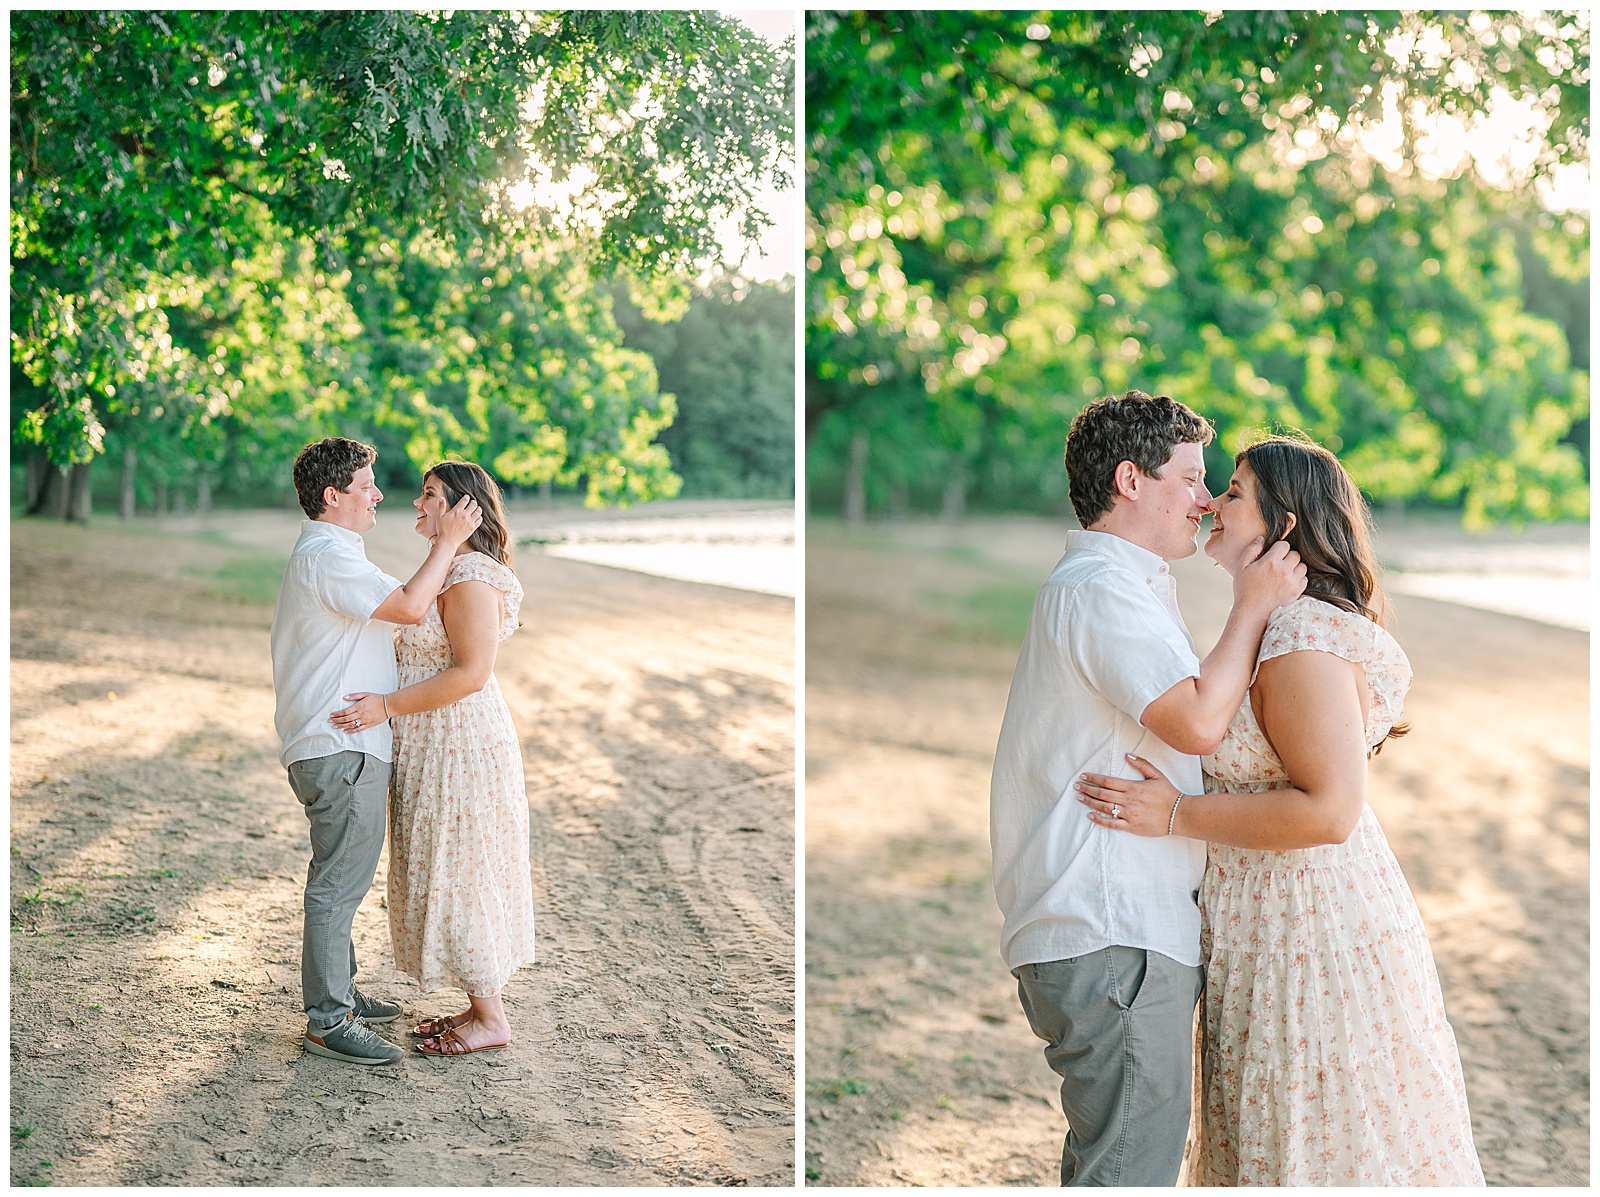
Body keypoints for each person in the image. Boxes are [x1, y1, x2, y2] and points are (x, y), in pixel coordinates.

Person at [1077, 434, 1484, 1185]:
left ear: (1284, 524)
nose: (1213, 505)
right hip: (1264, 931)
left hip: (1312, 935)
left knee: (1319, 1146)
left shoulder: (1299, 637)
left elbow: (1330, 809)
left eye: (1233, 491)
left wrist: (1175, 815)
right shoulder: (1270, 624)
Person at [989, 391, 1306, 1185]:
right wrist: (1254, 602)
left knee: (1122, 1160)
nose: (1205, 499)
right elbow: (1197, 723)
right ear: (1131, 480)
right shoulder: (1100, 589)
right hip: (1111, 929)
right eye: (1192, 477)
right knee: (1130, 1172)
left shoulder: (1119, 586)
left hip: (1114, 928)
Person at [271, 437, 482, 1066]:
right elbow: (413, 609)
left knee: (344, 878)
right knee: (338, 884)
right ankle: (328, 1020)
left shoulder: (338, 555)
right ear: (333, 497)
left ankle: (344, 997)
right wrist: (449, 540)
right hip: (341, 746)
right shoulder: (327, 557)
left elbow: (406, 605)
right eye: (366, 486)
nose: (379, 495)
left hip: (341, 743)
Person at [329, 461, 536, 1057]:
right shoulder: (452, 568)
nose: (416, 505)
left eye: (428, 496)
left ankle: (491, 1018)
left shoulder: (471, 576)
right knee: (445, 862)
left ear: (459, 509)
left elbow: (472, 673)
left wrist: (385, 707)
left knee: (462, 867)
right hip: (432, 740)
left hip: (459, 743)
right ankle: (477, 1005)